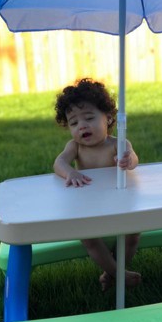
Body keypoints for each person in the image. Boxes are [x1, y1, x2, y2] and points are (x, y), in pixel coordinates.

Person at [54, 78, 141, 290]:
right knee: (89, 239)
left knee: (132, 235)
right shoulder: (75, 146)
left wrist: (128, 160)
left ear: (109, 118)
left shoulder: (118, 144)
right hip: (88, 203)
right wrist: (70, 172)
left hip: (117, 201)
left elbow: (134, 160)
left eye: (89, 118)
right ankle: (119, 275)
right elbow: (59, 162)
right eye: (73, 123)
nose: (81, 125)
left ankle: (112, 274)